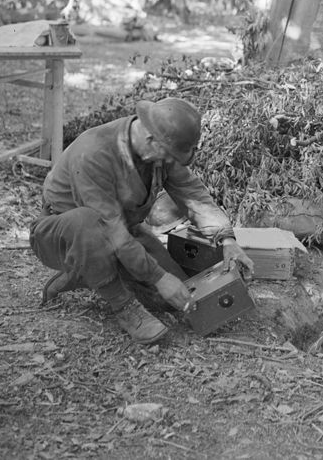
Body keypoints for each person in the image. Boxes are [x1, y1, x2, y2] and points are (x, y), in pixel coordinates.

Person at [29, 97, 255, 344]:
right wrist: (158, 277)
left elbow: (192, 194)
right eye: (168, 156)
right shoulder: (93, 154)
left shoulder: (161, 147)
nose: (169, 162)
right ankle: (123, 305)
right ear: (151, 140)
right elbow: (111, 230)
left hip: (121, 231)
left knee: (173, 298)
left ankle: (84, 274)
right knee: (88, 222)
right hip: (63, 236)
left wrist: (227, 239)